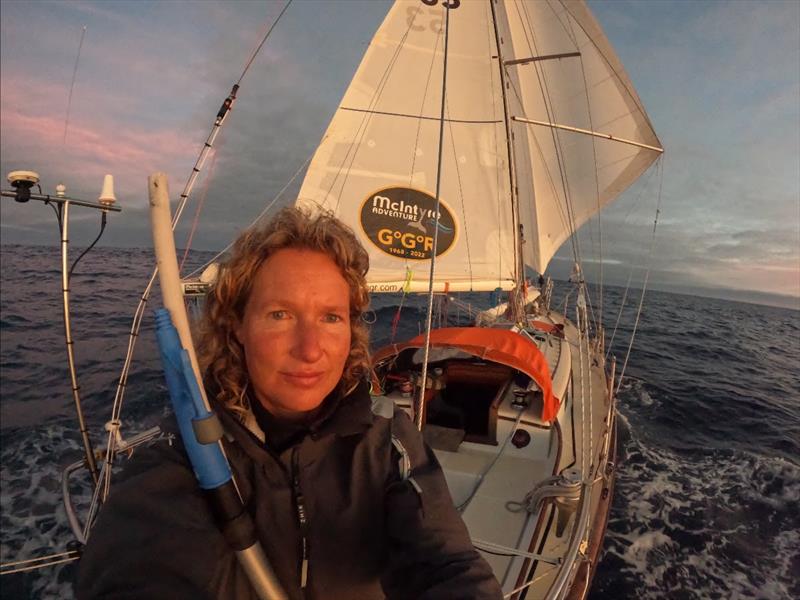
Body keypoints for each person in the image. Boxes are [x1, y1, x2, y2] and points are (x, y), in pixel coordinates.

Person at [76, 206, 502, 599]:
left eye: (330, 317)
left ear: (351, 330)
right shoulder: (181, 459)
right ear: (237, 325)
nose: (310, 349)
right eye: (280, 314)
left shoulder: (387, 442)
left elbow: (446, 564)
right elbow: (140, 573)